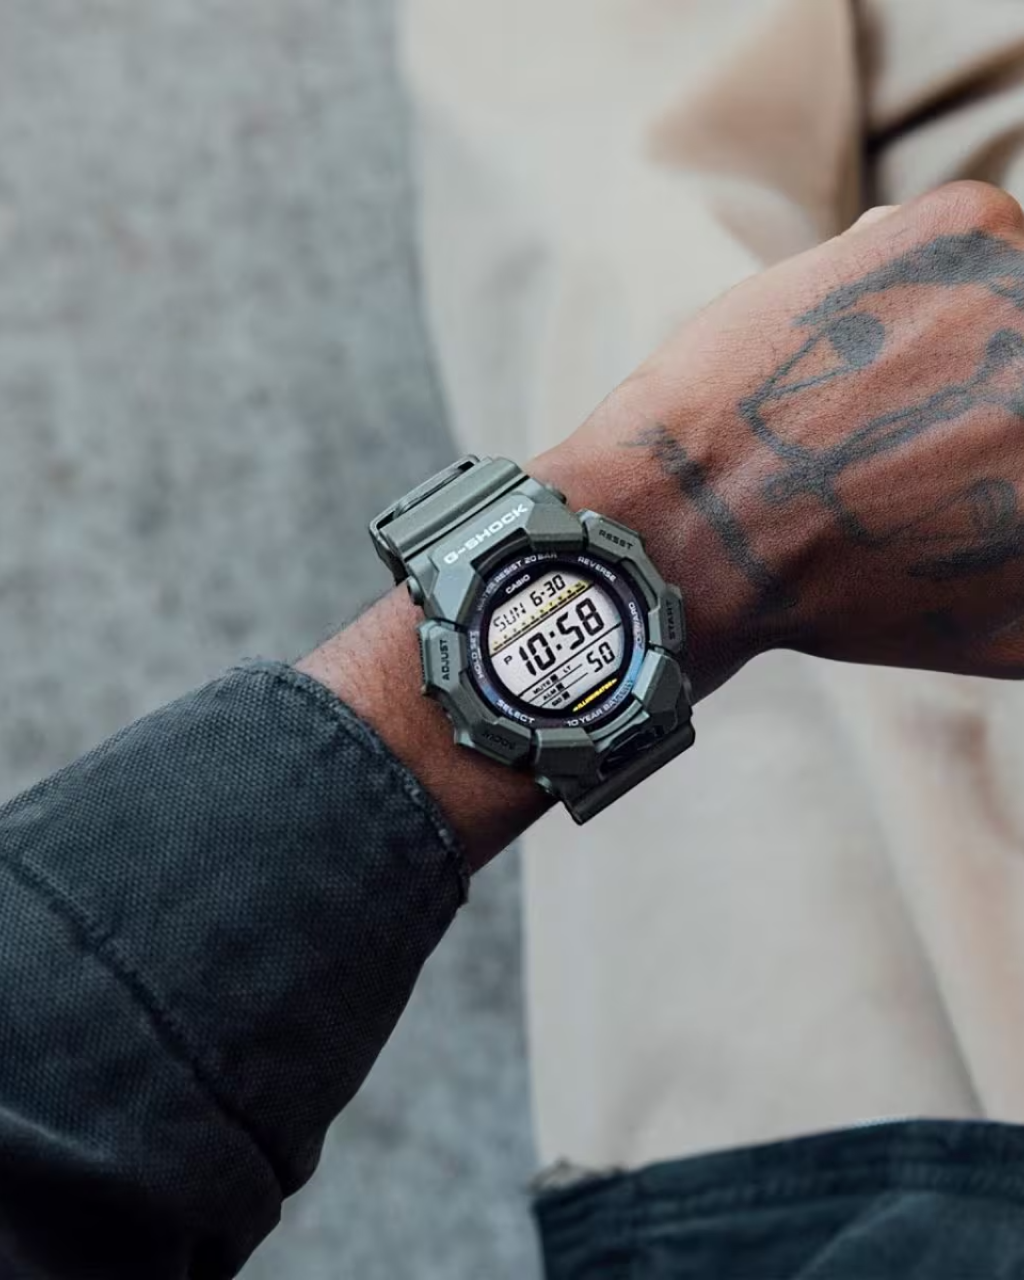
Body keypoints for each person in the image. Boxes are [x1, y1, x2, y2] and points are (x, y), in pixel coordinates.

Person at [4, 181, 1024, 1277]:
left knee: (608, 233)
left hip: (795, 1198)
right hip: (842, 1196)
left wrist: (691, 502)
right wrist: (689, 515)